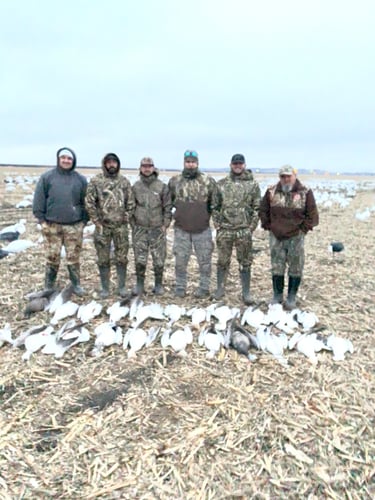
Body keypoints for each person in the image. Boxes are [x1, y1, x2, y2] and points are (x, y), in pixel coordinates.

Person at [259, 165, 319, 309]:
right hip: (276, 236)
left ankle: (291, 296)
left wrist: (302, 230)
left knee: (296, 266)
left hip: (295, 236)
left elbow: (313, 215)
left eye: (288, 176)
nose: (286, 179)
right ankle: (277, 295)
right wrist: (269, 226)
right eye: (282, 176)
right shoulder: (271, 191)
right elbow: (263, 210)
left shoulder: (305, 192)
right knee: (277, 266)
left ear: (294, 176)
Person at [33, 147, 88, 296]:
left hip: (74, 226)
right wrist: (42, 220)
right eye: (63, 157)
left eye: (69, 158)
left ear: (73, 160)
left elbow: (87, 202)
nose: (66, 160)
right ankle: (48, 286)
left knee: (73, 257)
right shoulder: (47, 177)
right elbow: (39, 199)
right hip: (52, 225)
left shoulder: (80, 179)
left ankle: (76, 285)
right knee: (52, 257)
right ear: (58, 159)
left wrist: (83, 221)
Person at [168, 150, 218, 298]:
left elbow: (215, 204)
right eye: (188, 162)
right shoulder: (175, 181)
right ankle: (180, 287)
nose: (190, 164)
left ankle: (204, 288)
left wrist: (214, 220)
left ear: (197, 163)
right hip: (181, 229)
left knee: (205, 261)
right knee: (180, 261)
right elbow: (168, 203)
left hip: (202, 229)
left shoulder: (208, 181)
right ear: (184, 163)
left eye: (193, 162)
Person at [212, 154, 261, 305]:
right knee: (222, 261)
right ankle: (220, 288)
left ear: (244, 165)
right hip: (225, 230)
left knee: (245, 261)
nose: (237, 166)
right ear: (230, 165)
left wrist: (251, 227)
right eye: (235, 164)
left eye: (240, 163)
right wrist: (218, 224)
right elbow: (214, 206)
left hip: (243, 230)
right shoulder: (221, 184)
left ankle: (246, 292)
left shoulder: (253, 185)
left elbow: (257, 208)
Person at [85, 153, 134, 298]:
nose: (112, 165)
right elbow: (89, 202)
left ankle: (121, 287)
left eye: (114, 162)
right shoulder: (96, 181)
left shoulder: (124, 181)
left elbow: (130, 203)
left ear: (118, 164)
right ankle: (105, 289)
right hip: (102, 227)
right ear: (104, 164)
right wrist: (96, 221)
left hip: (120, 227)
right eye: (109, 162)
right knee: (103, 258)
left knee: (122, 257)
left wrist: (125, 218)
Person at [131, 157, 172, 295]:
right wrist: (133, 224)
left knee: (159, 259)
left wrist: (165, 225)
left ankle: (158, 285)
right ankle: (140, 285)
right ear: (140, 168)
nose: (147, 168)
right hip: (140, 229)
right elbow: (131, 207)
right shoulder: (136, 187)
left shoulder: (161, 186)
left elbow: (168, 207)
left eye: (149, 166)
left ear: (154, 168)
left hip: (157, 229)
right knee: (140, 259)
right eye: (144, 166)